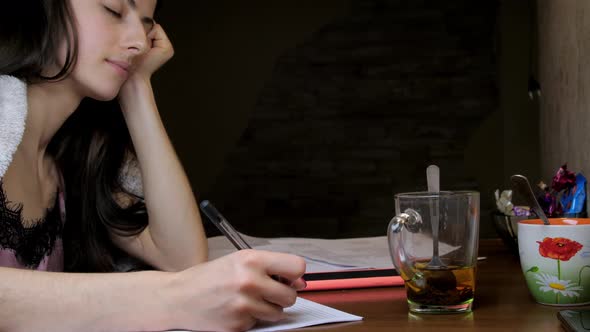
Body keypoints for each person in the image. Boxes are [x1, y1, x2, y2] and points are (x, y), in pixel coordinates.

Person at [0, 0, 306, 331]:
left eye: (147, 23)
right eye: (113, 11)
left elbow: (181, 260)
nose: (139, 41)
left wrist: (136, 85)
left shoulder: (74, 153)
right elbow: (183, 286)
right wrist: (171, 297)